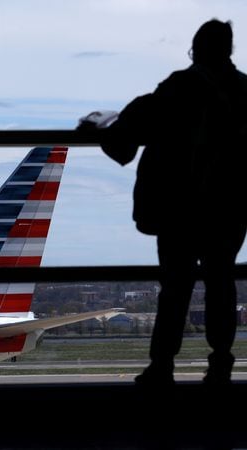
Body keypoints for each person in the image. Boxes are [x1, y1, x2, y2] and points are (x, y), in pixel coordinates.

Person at [95, 19, 247, 386]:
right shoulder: (244, 91)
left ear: (196, 50)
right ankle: (221, 363)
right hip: (228, 208)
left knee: (176, 289)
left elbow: (127, 136)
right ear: (228, 50)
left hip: (179, 210)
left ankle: (162, 366)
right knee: (221, 285)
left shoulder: (179, 88)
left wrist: (100, 127)